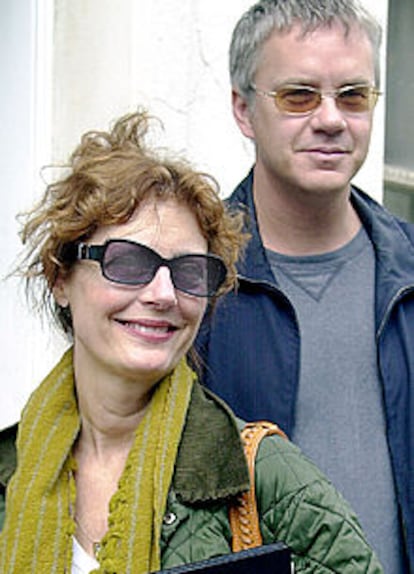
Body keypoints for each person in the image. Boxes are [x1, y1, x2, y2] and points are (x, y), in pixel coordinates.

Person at [0, 110, 382, 573]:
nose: (163, 294)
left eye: (188, 271)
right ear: (60, 277)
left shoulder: (262, 474)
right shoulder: (8, 473)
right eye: (128, 262)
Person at [194, 1, 413, 572]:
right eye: (298, 96)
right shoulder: (188, 282)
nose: (331, 119)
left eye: (353, 95)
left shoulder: (410, 273)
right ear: (244, 109)